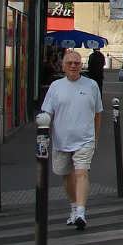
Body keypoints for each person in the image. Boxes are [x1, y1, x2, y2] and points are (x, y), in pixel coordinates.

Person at [40, 50, 103, 230]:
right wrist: (43, 134)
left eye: (77, 63)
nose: (73, 66)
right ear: (63, 66)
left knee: (81, 173)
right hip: (62, 140)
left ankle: (81, 213)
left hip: (85, 139)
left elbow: (98, 114)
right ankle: (74, 207)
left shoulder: (91, 85)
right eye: (70, 63)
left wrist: (95, 138)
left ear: (81, 65)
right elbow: (47, 114)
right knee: (67, 176)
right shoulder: (55, 87)